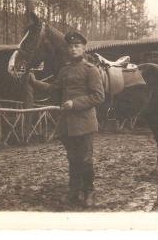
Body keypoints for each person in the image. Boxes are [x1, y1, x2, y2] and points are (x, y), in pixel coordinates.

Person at [28, 31, 105, 207]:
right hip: (67, 123)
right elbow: (54, 89)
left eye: (77, 46)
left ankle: (89, 191)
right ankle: (74, 190)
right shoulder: (64, 70)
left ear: (84, 48)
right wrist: (34, 82)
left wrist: (74, 103)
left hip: (84, 123)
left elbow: (99, 97)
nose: (73, 49)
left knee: (85, 159)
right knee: (72, 158)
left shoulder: (90, 70)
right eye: (70, 47)